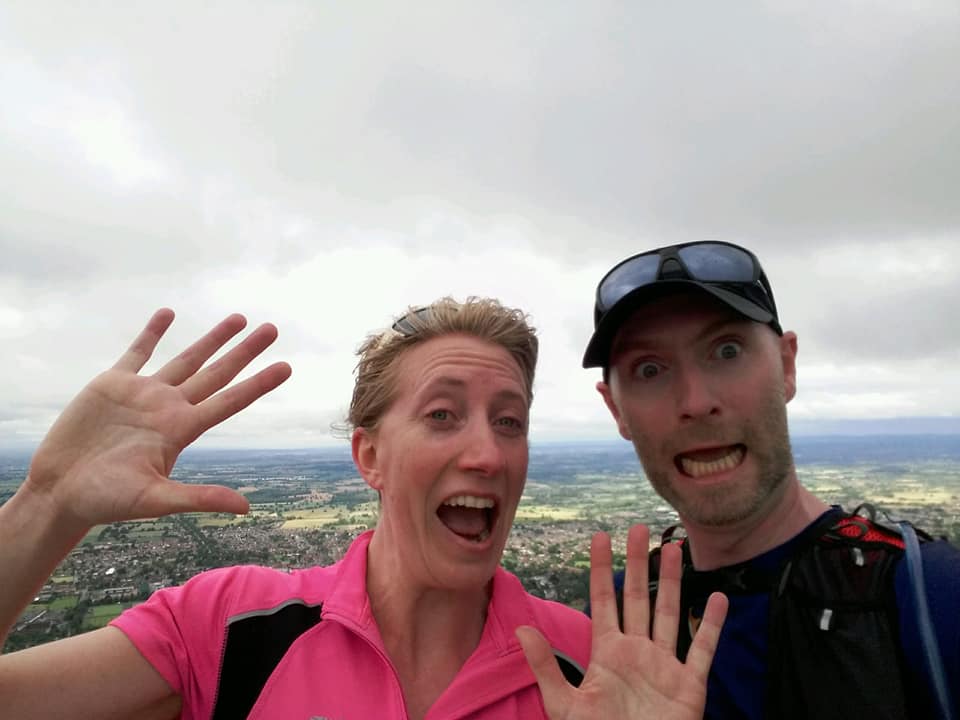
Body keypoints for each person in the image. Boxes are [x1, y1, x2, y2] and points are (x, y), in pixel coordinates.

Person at [0, 298, 726, 720]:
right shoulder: (230, 629)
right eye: (443, 415)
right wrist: (47, 504)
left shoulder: (593, 669)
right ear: (369, 457)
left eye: (511, 421)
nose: (489, 453)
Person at [582, 240, 960, 719]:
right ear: (616, 410)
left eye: (727, 349)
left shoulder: (931, 601)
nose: (696, 401)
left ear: (786, 365)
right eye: (650, 369)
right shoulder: (611, 630)